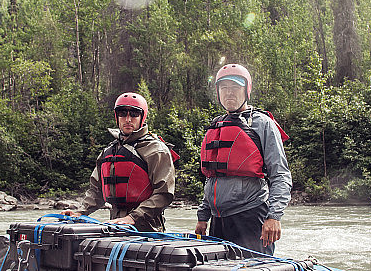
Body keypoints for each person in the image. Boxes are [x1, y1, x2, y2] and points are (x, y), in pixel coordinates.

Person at [194, 64, 292, 256]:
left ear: (246, 90)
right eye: (224, 88)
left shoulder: (263, 124)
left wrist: (274, 216)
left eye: (235, 87)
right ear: (218, 92)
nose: (229, 93)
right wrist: (203, 216)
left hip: (251, 215)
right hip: (218, 220)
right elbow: (213, 178)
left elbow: (280, 174)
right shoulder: (216, 125)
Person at [65, 92, 176, 232]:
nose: (128, 119)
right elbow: (96, 190)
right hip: (115, 223)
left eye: (134, 114)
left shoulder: (156, 150)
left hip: (147, 227)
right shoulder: (109, 150)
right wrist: (80, 212)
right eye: (123, 113)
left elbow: (164, 194)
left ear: (142, 117)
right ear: (117, 117)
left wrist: (133, 217)